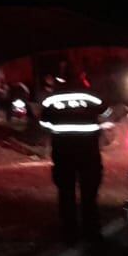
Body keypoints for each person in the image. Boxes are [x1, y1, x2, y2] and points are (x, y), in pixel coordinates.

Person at [40, 82, 109, 241]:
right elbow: (107, 112)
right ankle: (91, 231)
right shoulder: (91, 96)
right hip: (88, 151)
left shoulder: (51, 99)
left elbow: (44, 123)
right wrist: (99, 124)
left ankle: (69, 232)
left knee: (65, 192)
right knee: (89, 194)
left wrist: (59, 128)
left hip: (62, 151)